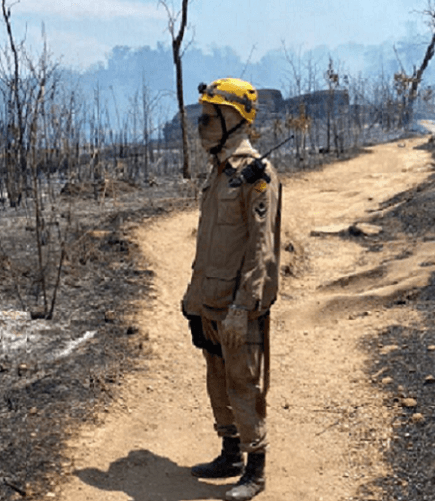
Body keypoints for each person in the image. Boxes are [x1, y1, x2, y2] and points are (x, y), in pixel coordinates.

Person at [182, 78, 281, 501]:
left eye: (208, 117)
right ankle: (230, 453)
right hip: (210, 298)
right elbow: (209, 243)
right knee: (217, 377)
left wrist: (244, 306)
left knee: (244, 382)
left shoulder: (257, 175)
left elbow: (262, 250)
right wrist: (193, 299)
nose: (200, 125)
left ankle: (255, 469)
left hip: (238, 303)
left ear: (233, 118)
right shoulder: (219, 171)